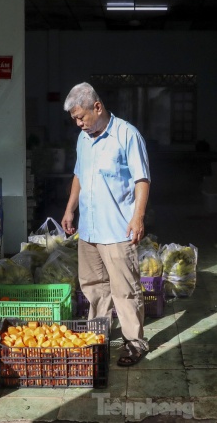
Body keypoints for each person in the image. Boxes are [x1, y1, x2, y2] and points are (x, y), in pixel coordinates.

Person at [61, 82, 150, 367]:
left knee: (125, 289)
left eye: (81, 117)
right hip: (89, 230)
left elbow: (142, 180)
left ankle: (134, 343)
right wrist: (69, 210)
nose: (78, 124)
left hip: (116, 229)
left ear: (97, 107)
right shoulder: (83, 139)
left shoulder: (127, 135)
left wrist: (138, 217)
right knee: (93, 286)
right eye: (74, 119)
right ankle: (98, 335)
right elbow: (78, 175)